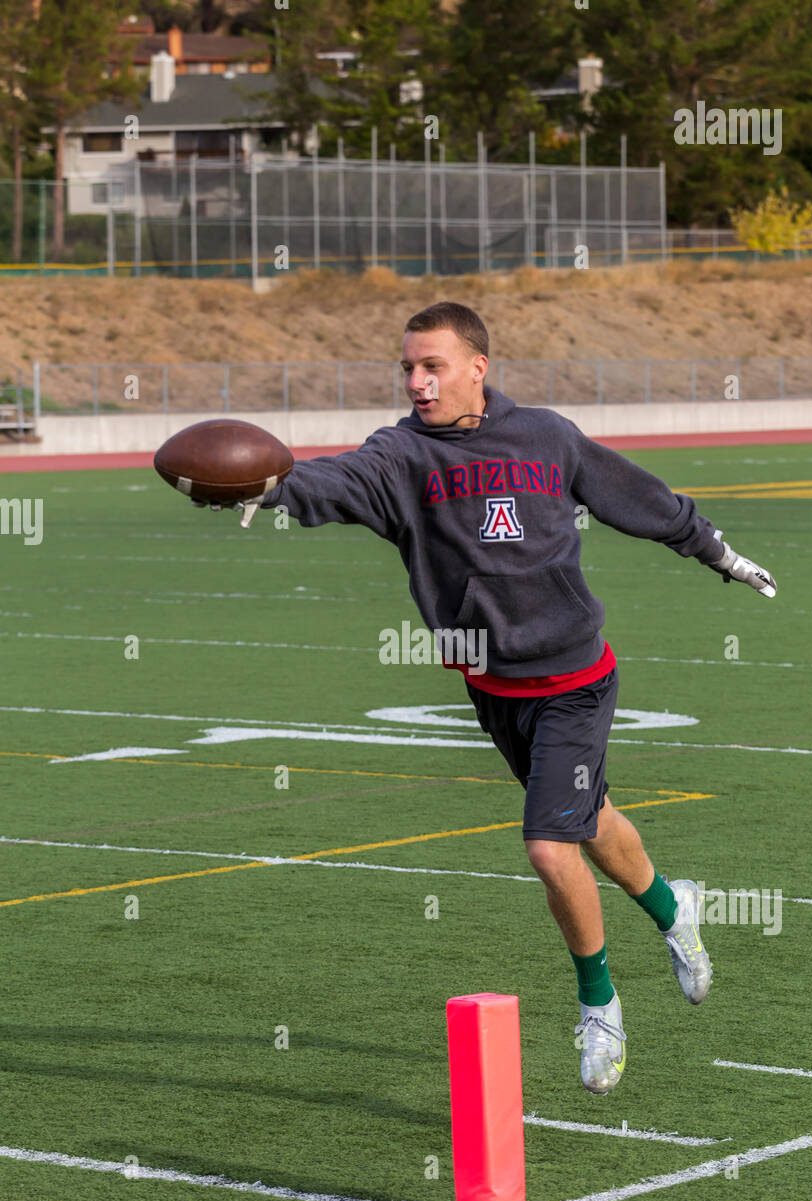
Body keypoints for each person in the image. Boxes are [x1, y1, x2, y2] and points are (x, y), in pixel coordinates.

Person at [198, 300, 776, 1095]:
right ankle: (678, 915)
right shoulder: (400, 456)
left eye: (432, 365)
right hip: (494, 689)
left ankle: (600, 1004)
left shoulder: (547, 435)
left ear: (479, 366)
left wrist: (718, 551)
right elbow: (332, 481)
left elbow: (637, 499)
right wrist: (268, 485)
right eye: (406, 367)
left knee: (549, 844)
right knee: (591, 818)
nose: (416, 382)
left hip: (576, 679)